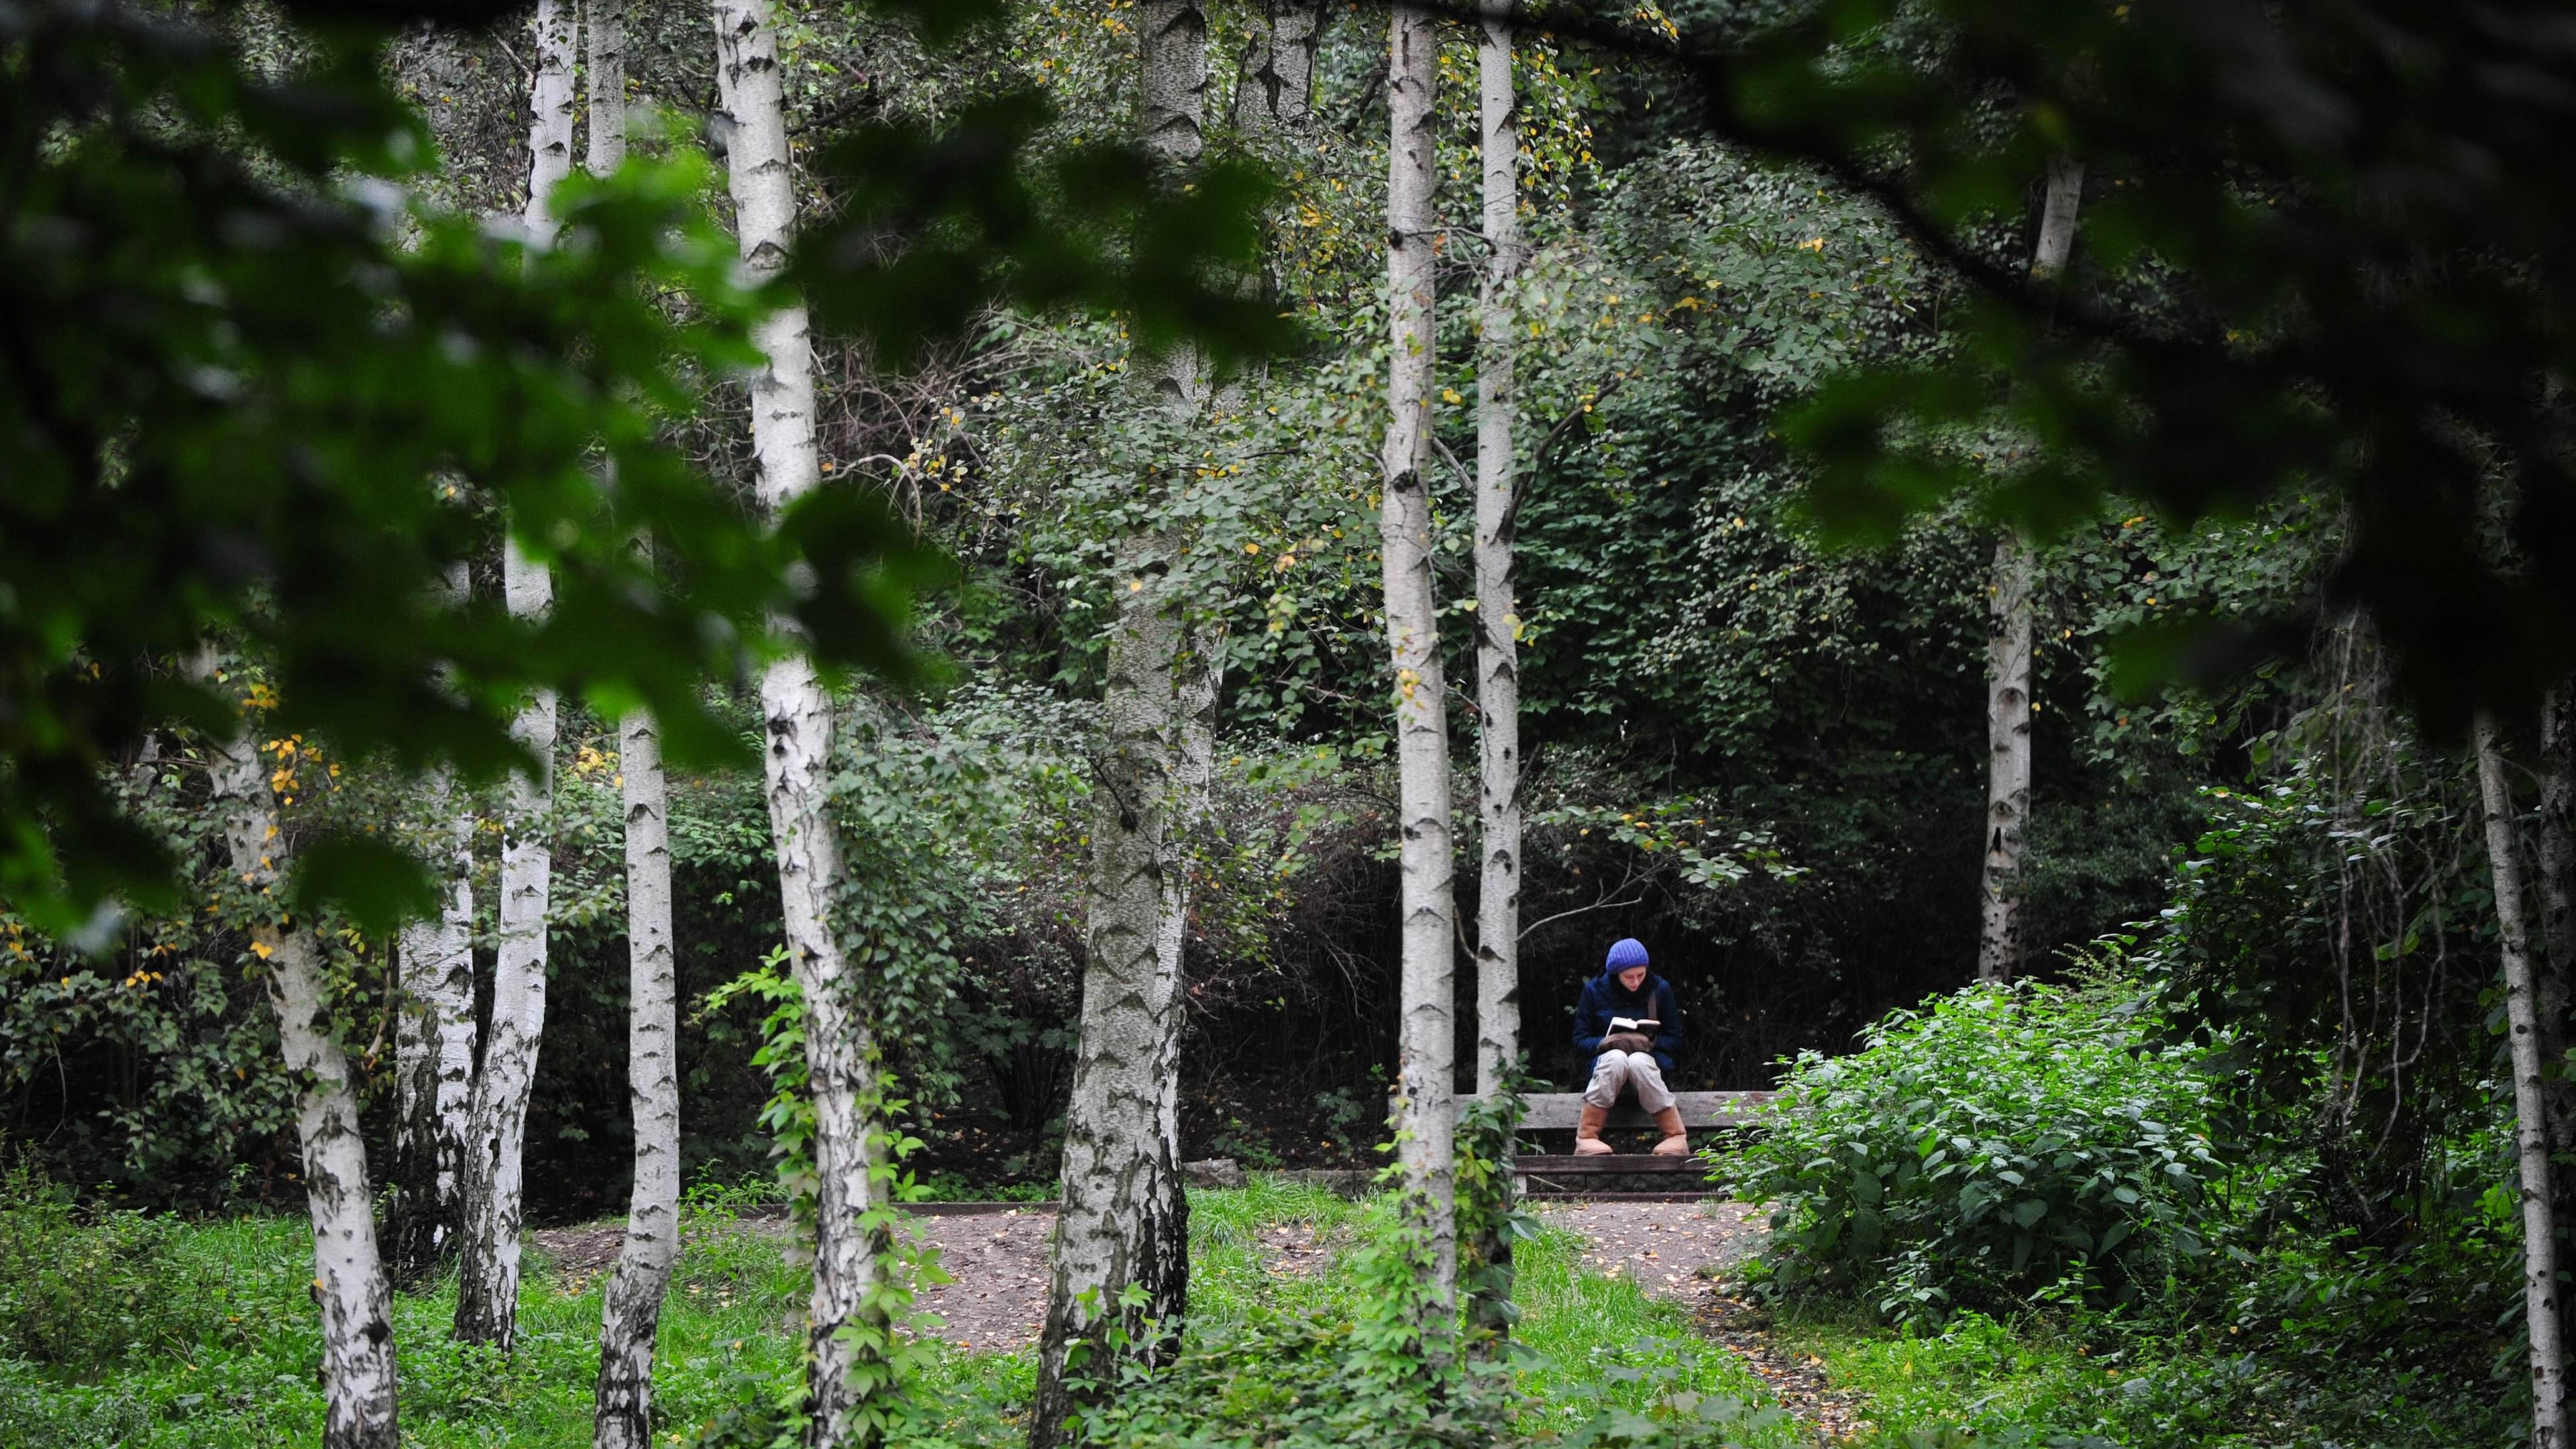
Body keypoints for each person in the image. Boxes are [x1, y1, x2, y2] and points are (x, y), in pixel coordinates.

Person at [1569, 937, 1688, 1156]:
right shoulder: (1594, 991)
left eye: (1640, 975)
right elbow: (1579, 1041)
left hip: (1648, 1070)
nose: (1635, 982)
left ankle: (1675, 1136)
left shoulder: (1659, 989)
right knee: (1617, 1058)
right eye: (1628, 977)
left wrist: (1649, 1043)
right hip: (1607, 1071)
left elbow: (1676, 1040)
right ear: (1615, 974)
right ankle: (1587, 1138)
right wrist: (1606, 1043)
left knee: (1637, 1061)